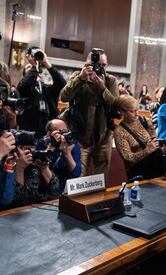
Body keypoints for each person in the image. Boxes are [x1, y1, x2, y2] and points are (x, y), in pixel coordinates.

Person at [60, 48, 119, 179]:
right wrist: (81, 78)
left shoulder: (110, 80)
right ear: (87, 63)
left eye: (103, 65)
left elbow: (116, 107)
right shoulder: (78, 76)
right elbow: (64, 97)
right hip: (81, 137)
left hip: (103, 137)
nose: (100, 68)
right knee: (78, 178)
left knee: (100, 180)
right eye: (97, 65)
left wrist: (103, 88)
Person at [113, 96, 166, 179]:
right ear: (122, 112)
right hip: (136, 172)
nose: (137, 114)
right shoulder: (119, 132)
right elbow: (128, 158)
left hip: (154, 165)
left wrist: (161, 147)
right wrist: (147, 151)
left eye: (137, 110)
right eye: (132, 111)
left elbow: (154, 139)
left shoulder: (145, 120)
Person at [17, 48, 66, 138]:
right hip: (29, 133)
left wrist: (46, 63)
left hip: (48, 133)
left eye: (34, 68)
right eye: (29, 68)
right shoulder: (24, 88)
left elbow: (61, 83)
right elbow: (25, 84)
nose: (33, 67)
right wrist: (34, 66)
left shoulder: (47, 90)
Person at [35, 119, 81, 193]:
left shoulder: (72, 145)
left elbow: (76, 173)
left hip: (63, 189)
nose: (63, 135)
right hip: (44, 188)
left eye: (65, 132)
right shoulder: (42, 143)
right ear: (49, 134)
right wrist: (51, 147)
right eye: (60, 132)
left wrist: (67, 153)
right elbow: (42, 169)